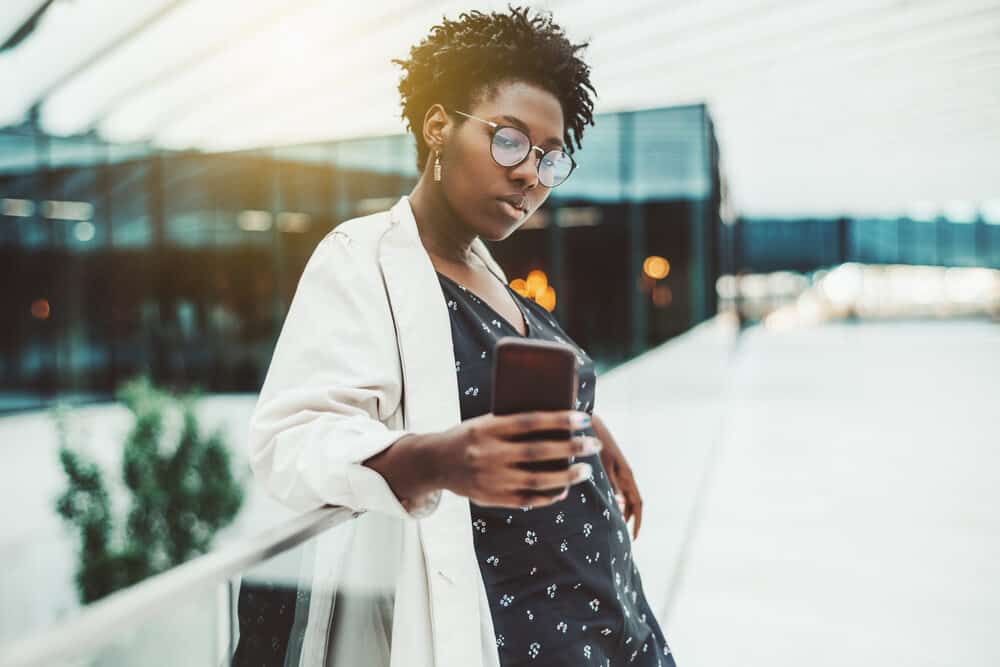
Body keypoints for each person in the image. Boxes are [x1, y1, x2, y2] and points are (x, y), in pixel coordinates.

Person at [248, 7, 675, 666]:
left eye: (549, 157)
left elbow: (488, 394)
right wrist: (438, 459)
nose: (531, 173)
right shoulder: (362, 256)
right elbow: (292, 439)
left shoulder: (485, 267)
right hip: (519, 637)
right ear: (439, 126)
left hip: (614, 619)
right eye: (509, 140)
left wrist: (587, 426)